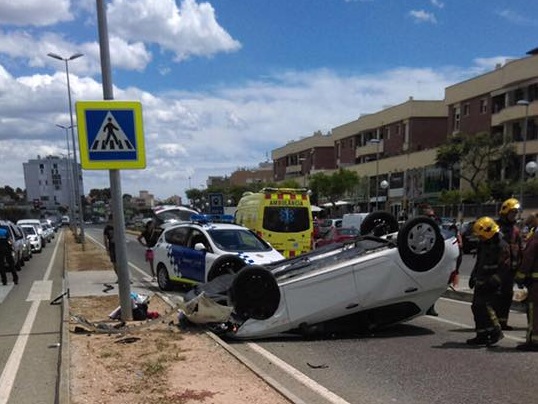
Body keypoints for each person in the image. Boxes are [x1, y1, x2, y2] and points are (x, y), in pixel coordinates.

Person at [466, 216, 508, 346]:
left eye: (481, 235)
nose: (480, 238)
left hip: (492, 284)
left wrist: (493, 281)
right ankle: (482, 334)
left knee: (486, 308)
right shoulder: (483, 244)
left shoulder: (501, 246)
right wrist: (473, 276)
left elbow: (505, 267)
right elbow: (479, 262)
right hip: (481, 281)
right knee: (476, 307)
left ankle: (496, 332)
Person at [494, 197, 523, 331]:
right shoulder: (495, 228)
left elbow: (520, 249)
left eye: (515, 213)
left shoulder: (516, 230)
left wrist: (520, 269)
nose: (514, 215)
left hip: (510, 270)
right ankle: (493, 322)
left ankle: (503, 322)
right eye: (512, 213)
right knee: (496, 296)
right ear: (505, 212)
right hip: (496, 269)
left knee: (507, 296)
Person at [514, 213, 538, 351]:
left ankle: (534, 342)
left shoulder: (535, 238)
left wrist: (520, 277)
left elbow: (528, 258)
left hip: (536, 283)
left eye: (530, 225)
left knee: (534, 312)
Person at [448, 223, 463, 288]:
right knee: (450, 269)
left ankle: (455, 284)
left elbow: (461, 244)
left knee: (456, 269)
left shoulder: (457, 235)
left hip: (458, 253)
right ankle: (450, 282)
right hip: (451, 254)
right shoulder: (449, 236)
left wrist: (456, 243)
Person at [103, 215, 118, 280]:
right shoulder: (107, 228)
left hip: (119, 247)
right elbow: (105, 239)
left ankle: (125, 277)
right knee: (114, 263)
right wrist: (107, 248)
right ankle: (119, 277)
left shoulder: (118, 226)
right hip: (112, 246)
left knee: (122, 263)